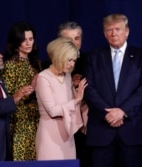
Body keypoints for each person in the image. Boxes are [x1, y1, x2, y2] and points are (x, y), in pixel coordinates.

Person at [84, 13, 142, 167]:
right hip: (102, 130)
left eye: (118, 29)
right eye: (109, 30)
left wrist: (122, 111)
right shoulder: (93, 57)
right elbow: (89, 88)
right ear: (104, 33)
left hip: (133, 131)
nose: (113, 33)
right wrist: (107, 113)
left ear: (127, 31)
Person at [35, 37, 87, 160]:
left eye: (74, 60)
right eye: (69, 60)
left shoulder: (68, 76)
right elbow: (53, 111)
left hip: (67, 135)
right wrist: (77, 99)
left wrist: (76, 92)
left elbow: (69, 104)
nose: (72, 64)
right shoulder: (43, 78)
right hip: (49, 136)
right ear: (59, 56)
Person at [1, 21, 41, 160]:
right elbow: (7, 98)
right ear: (16, 41)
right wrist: (29, 90)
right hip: (19, 123)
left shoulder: (35, 63)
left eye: (31, 39)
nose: (28, 43)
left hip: (36, 120)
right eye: (24, 40)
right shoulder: (10, 65)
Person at [56, 21, 90, 167]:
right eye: (69, 40)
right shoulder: (48, 66)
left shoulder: (91, 61)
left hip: (85, 129)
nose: (74, 43)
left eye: (77, 38)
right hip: (59, 128)